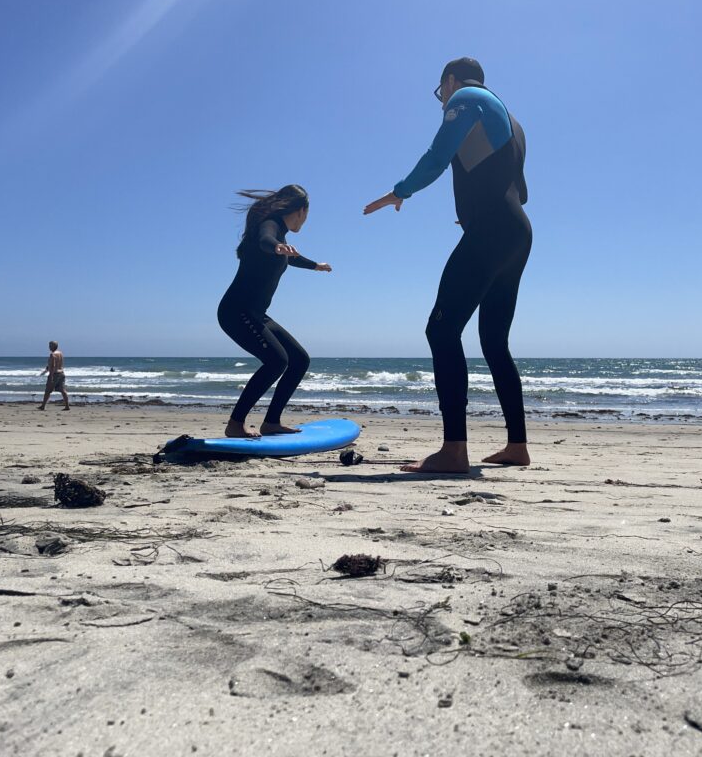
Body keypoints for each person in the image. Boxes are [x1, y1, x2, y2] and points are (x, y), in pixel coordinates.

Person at [364, 57, 532, 473]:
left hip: (492, 230)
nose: (442, 101)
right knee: (494, 343)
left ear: (450, 81)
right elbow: (519, 192)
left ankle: (454, 449)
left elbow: (438, 155)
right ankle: (517, 446)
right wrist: (474, 212)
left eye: (442, 92)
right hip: (516, 233)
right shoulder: (511, 119)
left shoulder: (466, 98)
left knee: (440, 329)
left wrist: (400, 191)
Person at [217, 185, 332, 438]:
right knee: (277, 361)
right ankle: (235, 423)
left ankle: (271, 422)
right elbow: (266, 241)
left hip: (255, 313)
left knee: (299, 360)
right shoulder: (269, 226)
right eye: (307, 215)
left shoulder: (282, 237)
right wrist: (277, 247)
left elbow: (289, 256)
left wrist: (315, 266)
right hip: (237, 311)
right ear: (302, 210)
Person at [38, 340, 70, 410]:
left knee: (48, 390)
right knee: (62, 390)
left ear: (53, 346)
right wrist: (47, 367)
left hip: (55, 374)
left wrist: (51, 376)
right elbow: (59, 364)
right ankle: (67, 406)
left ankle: (43, 406)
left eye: (50, 346)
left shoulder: (52, 354)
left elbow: (53, 366)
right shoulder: (60, 353)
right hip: (61, 373)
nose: (49, 347)